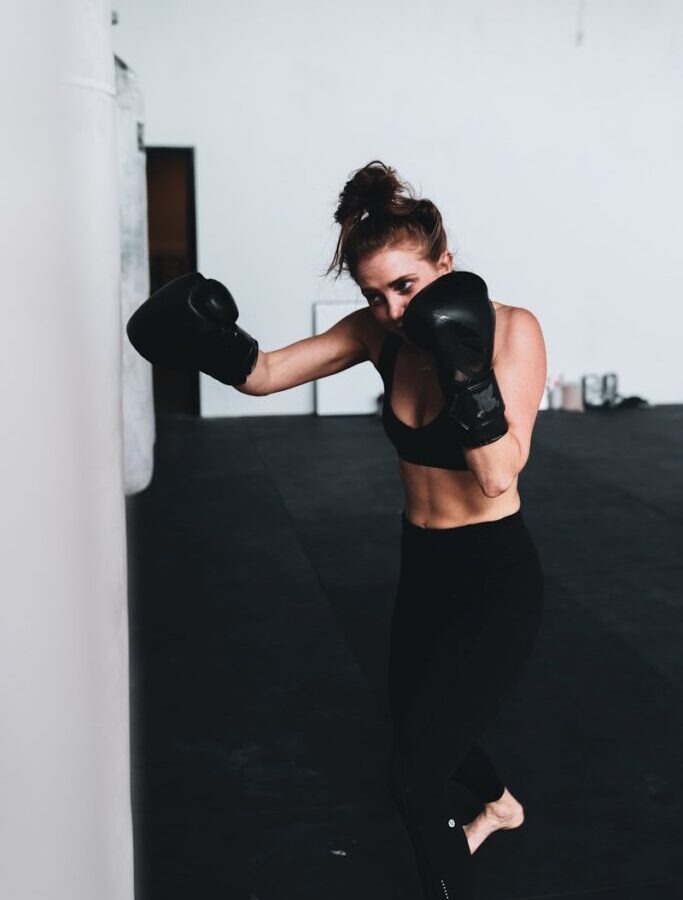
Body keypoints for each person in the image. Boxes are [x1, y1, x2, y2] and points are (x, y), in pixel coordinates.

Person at [126, 160, 548, 899]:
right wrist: (208, 338)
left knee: (414, 775)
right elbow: (263, 373)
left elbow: (498, 474)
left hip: (492, 573)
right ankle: (500, 804)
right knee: (415, 719)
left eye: (406, 287)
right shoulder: (377, 334)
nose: (390, 310)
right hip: (423, 564)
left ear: (444, 267)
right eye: (372, 295)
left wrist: (462, 366)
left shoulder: (511, 331)